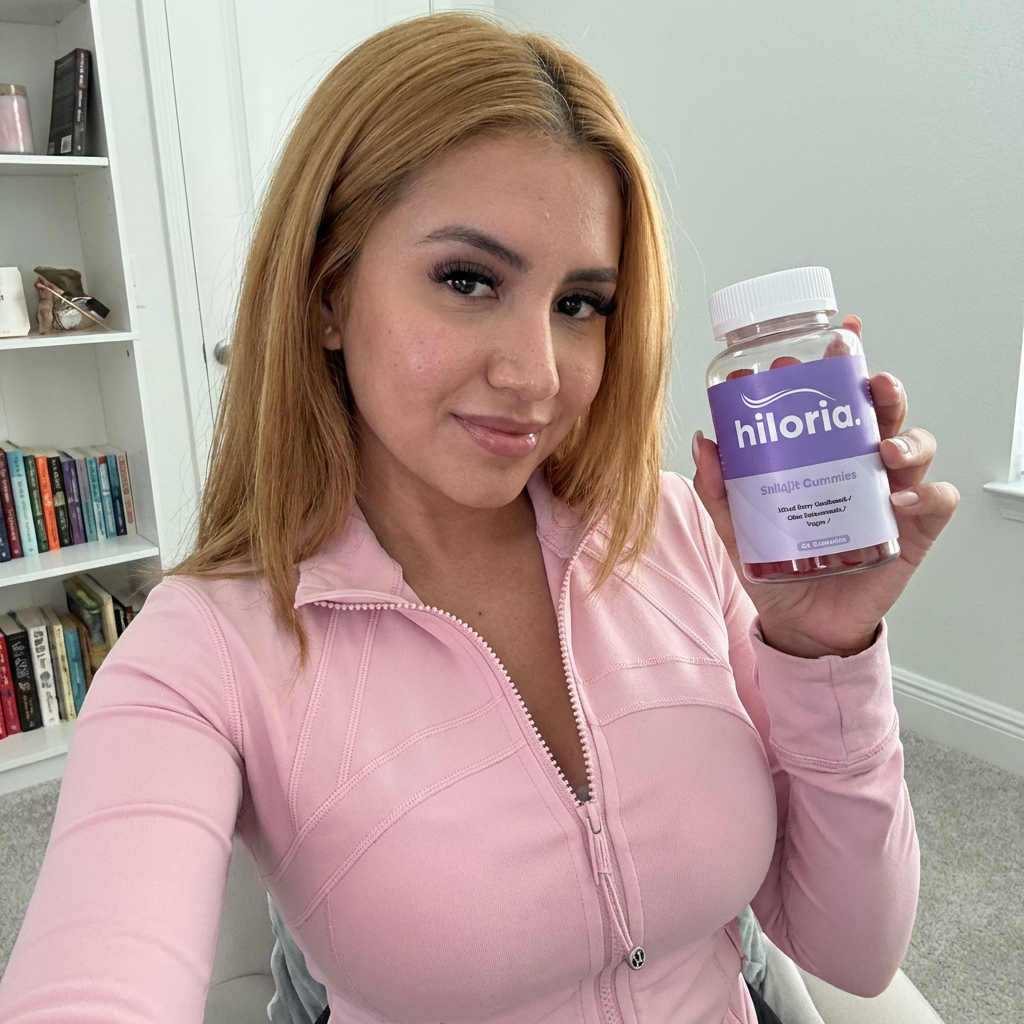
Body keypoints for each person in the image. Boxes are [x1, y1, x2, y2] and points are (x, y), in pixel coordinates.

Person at [0, 13, 958, 1024]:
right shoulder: (202, 650)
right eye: (467, 280)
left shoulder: (675, 529)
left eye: (580, 304)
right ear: (326, 297)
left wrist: (824, 650)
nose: (536, 376)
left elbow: (852, 953)